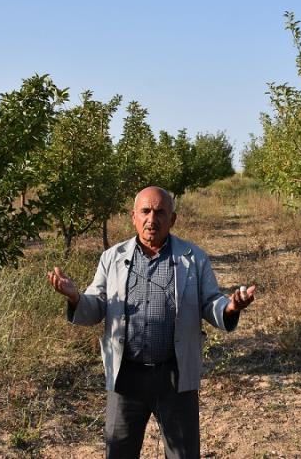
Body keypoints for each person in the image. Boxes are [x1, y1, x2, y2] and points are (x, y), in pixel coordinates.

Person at [48, 185, 256, 458]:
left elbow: (209, 303)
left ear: (173, 219)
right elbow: (97, 305)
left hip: (174, 375)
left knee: (183, 453)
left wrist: (231, 306)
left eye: (160, 212)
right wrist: (75, 297)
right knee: (119, 450)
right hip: (127, 376)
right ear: (133, 216)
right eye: (145, 211)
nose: (152, 218)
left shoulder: (194, 258)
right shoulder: (112, 258)